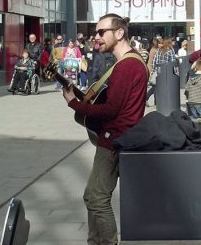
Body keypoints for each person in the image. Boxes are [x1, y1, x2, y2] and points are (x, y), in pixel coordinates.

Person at [62, 13, 148, 244]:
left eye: (102, 32)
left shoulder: (126, 66)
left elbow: (111, 110)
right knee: (92, 196)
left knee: (97, 198)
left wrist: (74, 103)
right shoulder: (128, 62)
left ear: (119, 33)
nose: (96, 37)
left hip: (114, 141)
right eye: (95, 32)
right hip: (117, 138)